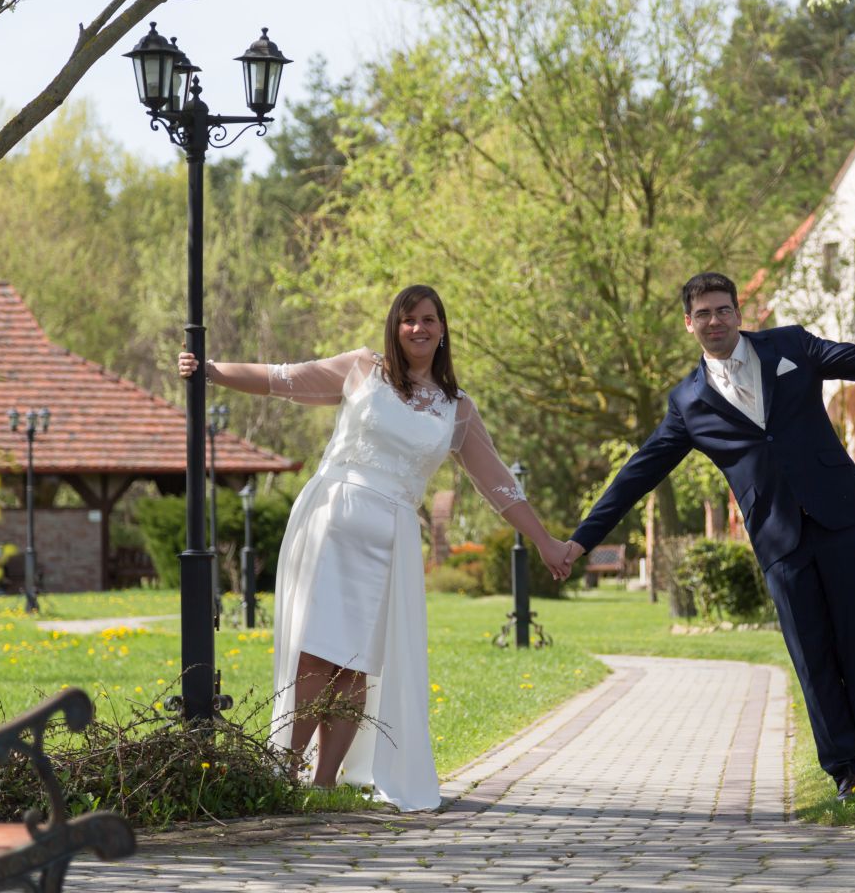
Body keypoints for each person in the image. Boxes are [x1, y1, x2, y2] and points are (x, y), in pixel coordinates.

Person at [558, 272, 855, 798]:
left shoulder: (791, 346)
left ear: (739, 313)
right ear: (688, 324)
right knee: (811, 657)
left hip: (838, 516)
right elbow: (637, 474)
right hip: (778, 538)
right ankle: (845, 771)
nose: (715, 320)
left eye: (723, 310)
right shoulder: (687, 402)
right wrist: (581, 540)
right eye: (703, 313)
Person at [178, 284, 570, 811]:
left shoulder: (458, 409)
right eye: (409, 319)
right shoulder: (363, 369)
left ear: (443, 329)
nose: (419, 328)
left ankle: (324, 783)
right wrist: (211, 370)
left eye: (429, 319)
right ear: (395, 326)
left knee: (356, 663)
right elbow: (283, 377)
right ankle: (282, 771)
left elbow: (498, 484)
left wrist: (545, 541)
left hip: (392, 537)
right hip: (334, 519)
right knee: (317, 649)